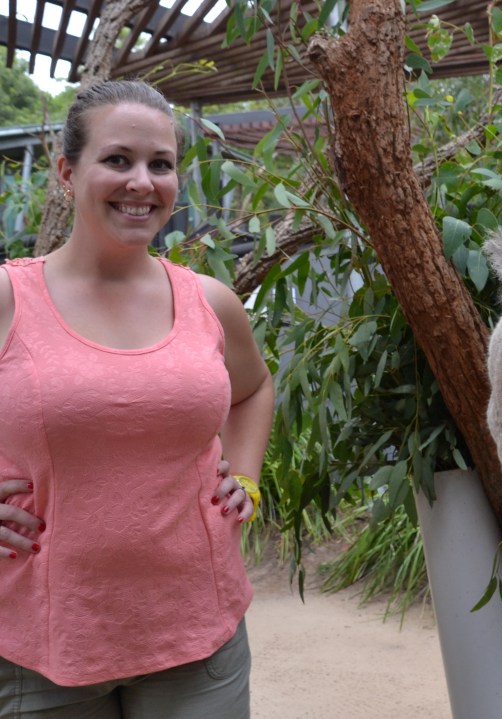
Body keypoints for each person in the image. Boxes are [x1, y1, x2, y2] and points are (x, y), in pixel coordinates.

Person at [0, 80, 275, 718]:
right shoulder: (11, 300)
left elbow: (254, 388)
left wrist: (249, 477)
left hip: (197, 636)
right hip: (42, 645)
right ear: (67, 172)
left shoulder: (210, 302)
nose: (142, 183)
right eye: (118, 159)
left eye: (161, 164)